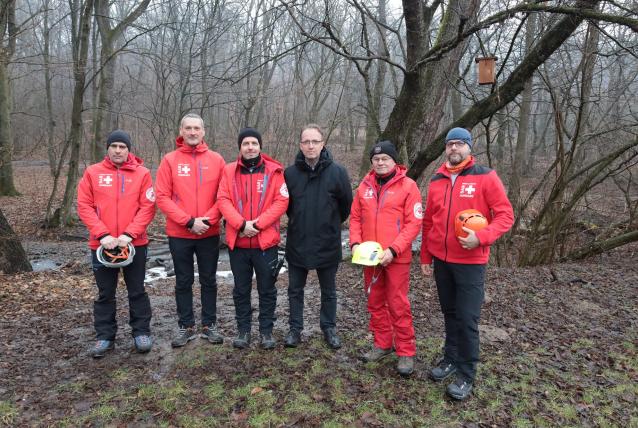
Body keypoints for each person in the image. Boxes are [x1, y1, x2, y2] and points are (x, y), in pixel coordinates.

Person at [420, 127, 514, 400]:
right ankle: (450, 360)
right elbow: (429, 222)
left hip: (471, 262)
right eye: (450, 144)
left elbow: (506, 216)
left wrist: (482, 237)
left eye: (459, 144)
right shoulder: (436, 180)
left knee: (467, 319)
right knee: (449, 314)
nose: (454, 149)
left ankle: (466, 373)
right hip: (442, 261)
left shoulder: (485, 176)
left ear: (469, 148)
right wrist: (426, 256)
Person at [77, 130, 156, 358]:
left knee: (137, 290)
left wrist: (129, 235)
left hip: (134, 244)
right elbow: (84, 206)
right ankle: (104, 337)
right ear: (108, 148)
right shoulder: (93, 173)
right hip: (102, 245)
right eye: (114, 146)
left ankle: (141, 332)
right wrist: (103, 235)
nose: (118, 150)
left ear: (128, 149)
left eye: (123, 147)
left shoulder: (142, 174)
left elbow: (148, 207)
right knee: (105, 293)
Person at [350, 140, 422, 376]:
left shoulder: (408, 186)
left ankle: (406, 351)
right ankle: (383, 343)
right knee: (374, 302)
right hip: (370, 258)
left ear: (394, 161)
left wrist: (394, 249)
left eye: (385, 159)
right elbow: (355, 219)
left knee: (398, 304)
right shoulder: (364, 186)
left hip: (396, 257)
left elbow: (414, 223)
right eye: (376, 159)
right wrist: (355, 244)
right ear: (372, 162)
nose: (380, 163)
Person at [155, 113, 226, 348]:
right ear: (181, 131)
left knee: (209, 280)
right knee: (183, 281)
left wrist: (207, 220)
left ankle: (209, 325)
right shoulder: (170, 160)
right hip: (180, 233)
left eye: (197, 128)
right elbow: (162, 197)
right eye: (188, 128)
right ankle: (186, 326)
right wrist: (188, 221)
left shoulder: (216, 160)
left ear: (203, 131)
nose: (193, 132)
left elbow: (223, 196)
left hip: (209, 232)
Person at [217, 127, 289, 349]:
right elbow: (223, 199)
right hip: (237, 242)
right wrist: (240, 224)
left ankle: (266, 331)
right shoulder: (228, 171)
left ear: (260, 146)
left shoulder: (275, 171)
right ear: (240, 147)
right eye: (246, 143)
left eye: (254, 143)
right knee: (241, 289)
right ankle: (243, 330)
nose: (250, 147)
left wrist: (257, 225)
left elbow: (281, 202)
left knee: (267, 288)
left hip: (265, 242)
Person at [284, 124, 353, 349]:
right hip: (298, 242)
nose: (311, 145)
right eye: (306, 142)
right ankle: (295, 329)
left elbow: (346, 207)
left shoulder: (338, 172)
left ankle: (329, 328)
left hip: (327, 243)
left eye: (315, 141)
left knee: (329, 291)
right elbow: (287, 207)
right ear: (300, 145)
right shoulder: (290, 174)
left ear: (323, 144)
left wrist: (330, 224)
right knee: (295, 290)